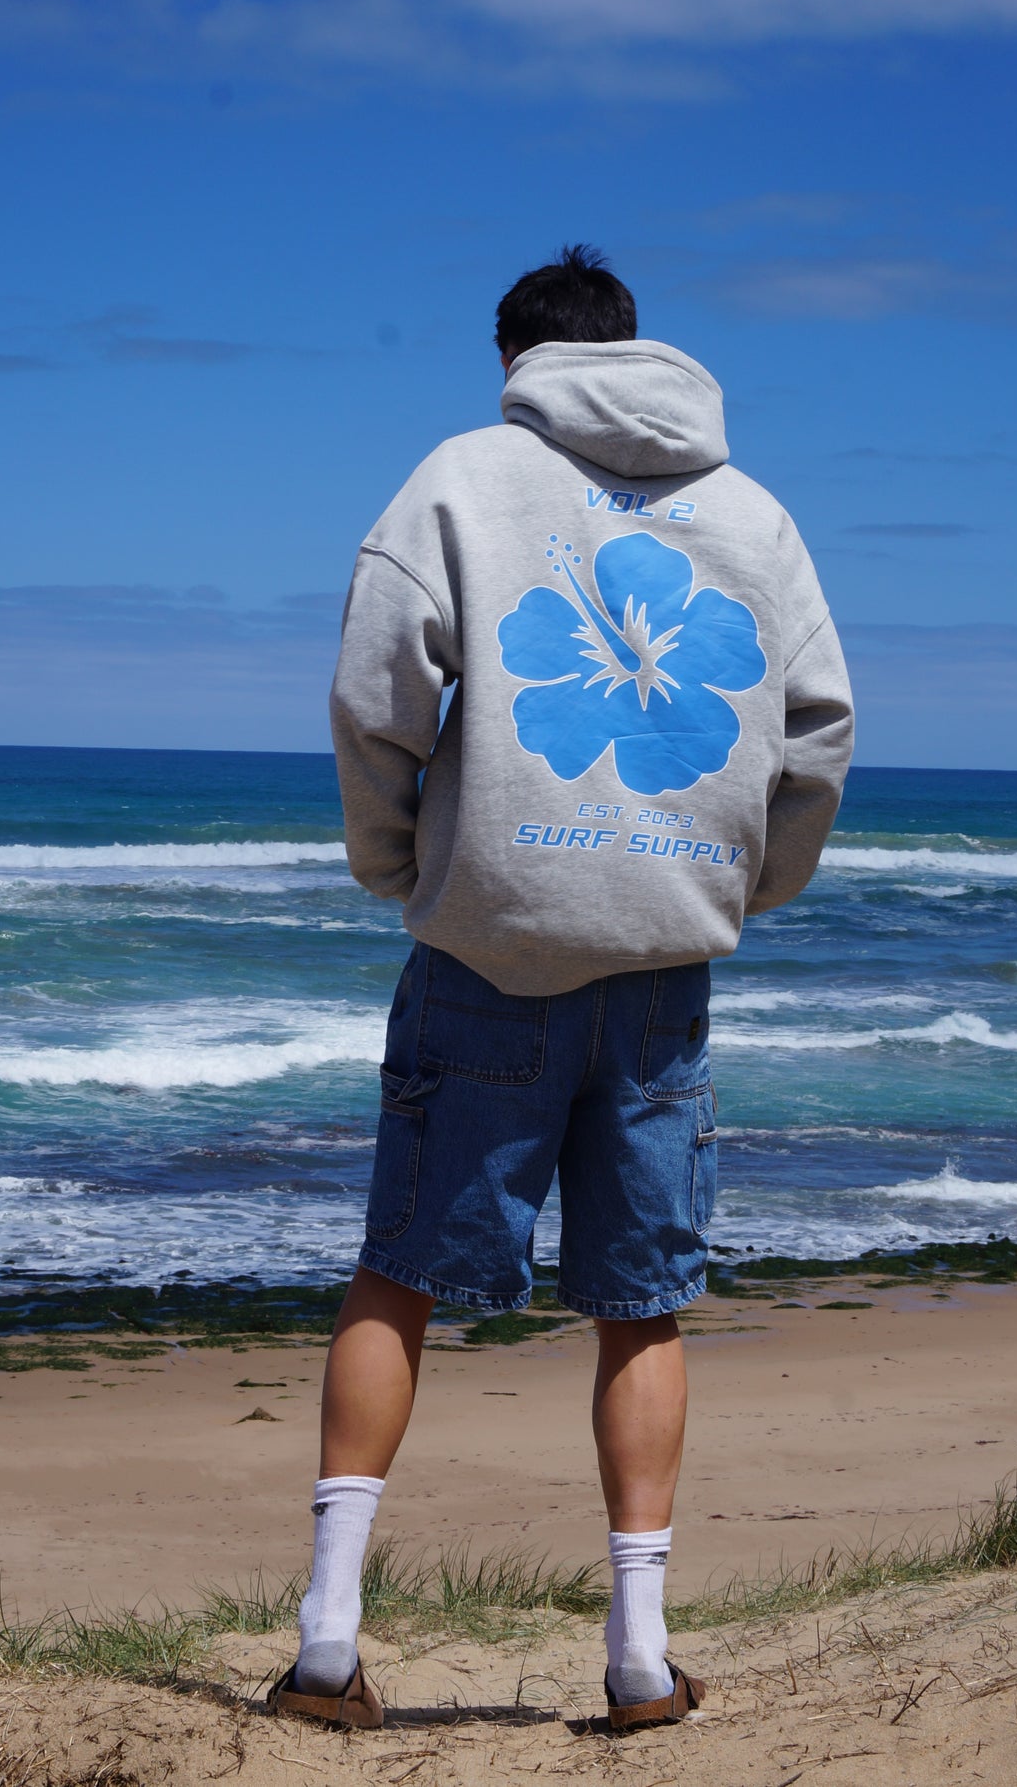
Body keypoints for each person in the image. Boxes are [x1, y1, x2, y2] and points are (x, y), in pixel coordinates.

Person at [268, 245, 854, 1732]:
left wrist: (402, 865)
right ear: (634, 349)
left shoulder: (466, 474)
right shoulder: (751, 512)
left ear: (516, 363)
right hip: (662, 962)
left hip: (487, 947)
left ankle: (329, 1641)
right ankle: (639, 1659)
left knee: (399, 1272)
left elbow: (372, 692)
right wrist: (740, 885)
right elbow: (816, 729)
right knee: (638, 1305)